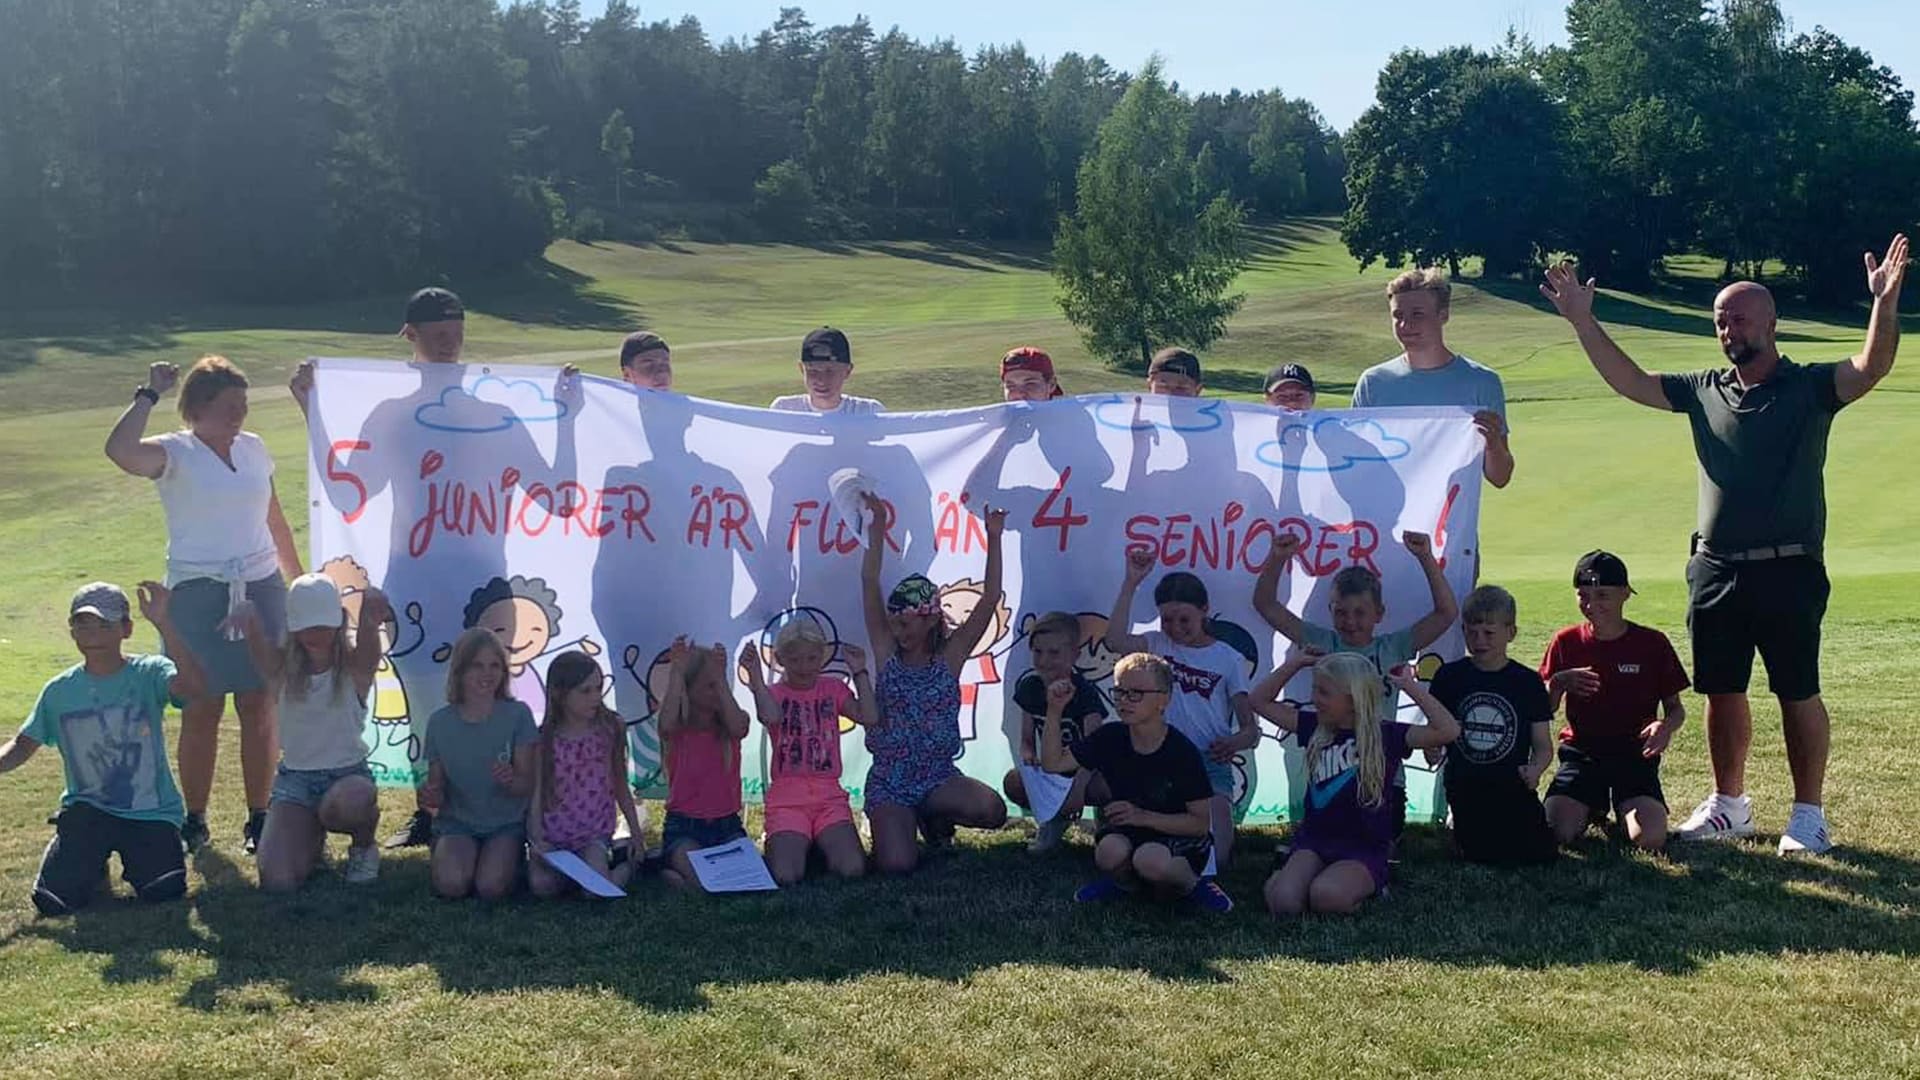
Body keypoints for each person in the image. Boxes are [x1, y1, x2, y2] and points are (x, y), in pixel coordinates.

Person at [1539, 235, 1908, 854]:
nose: (1727, 330)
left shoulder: (1809, 386)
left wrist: (1884, 305)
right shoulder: (1703, 387)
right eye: (1719, 321)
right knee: (1722, 688)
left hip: (1789, 568)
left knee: (1797, 690)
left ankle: (1808, 816)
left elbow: (1871, 367)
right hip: (1714, 569)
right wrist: (1583, 321)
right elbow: (1631, 381)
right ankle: (1730, 805)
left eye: (1738, 319)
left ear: (1770, 323)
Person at [292, 286, 580, 852]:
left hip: (485, 590)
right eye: (437, 333)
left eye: (456, 332)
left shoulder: (498, 418)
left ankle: (504, 813)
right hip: (416, 585)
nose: (449, 342)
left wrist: (567, 416)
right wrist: (312, 410)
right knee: (427, 709)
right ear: (411, 335)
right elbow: (350, 493)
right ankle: (433, 812)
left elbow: (560, 500)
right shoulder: (391, 415)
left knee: (491, 701)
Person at [105, 354, 302, 855]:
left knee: (259, 702)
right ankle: (194, 819)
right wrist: (149, 393)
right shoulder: (174, 452)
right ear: (198, 406)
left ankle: (260, 815)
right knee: (201, 705)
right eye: (228, 406)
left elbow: (274, 517)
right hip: (197, 592)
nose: (239, 415)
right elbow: (120, 451)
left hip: (260, 587)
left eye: (243, 405)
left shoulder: (254, 448)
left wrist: (296, 578)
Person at [0, 583, 205, 914]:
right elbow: (23, 746)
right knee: (53, 902)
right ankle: (86, 860)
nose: (92, 634)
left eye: (104, 624)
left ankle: (129, 856)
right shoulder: (59, 690)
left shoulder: (150, 672)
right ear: (72, 631)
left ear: (127, 629)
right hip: (89, 810)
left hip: (150, 813)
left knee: (163, 890)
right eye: (83, 624)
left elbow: (193, 687)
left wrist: (165, 623)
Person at [1253, 531, 1459, 830]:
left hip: (1385, 773)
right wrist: (1277, 558)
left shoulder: (1392, 648)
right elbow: (1266, 605)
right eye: (1341, 613)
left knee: (1378, 842)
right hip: (1332, 769)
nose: (1350, 622)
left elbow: (1446, 613)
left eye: (1360, 613)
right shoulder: (1321, 643)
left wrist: (1426, 557)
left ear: (1379, 614)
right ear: (1330, 612)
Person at [859, 492, 1010, 874]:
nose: (898, 631)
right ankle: (899, 821)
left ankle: (931, 815)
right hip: (890, 779)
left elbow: (990, 598)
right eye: (893, 623)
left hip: (937, 775)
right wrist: (878, 527)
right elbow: (869, 580)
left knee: (992, 810)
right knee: (896, 866)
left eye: (905, 623)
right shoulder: (886, 652)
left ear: (929, 620)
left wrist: (994, 537)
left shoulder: (950, 657)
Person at [1261, 654, 1460, 916]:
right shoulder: (1314, 726)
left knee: (1326, 897)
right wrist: (1294, 663)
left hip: (1363, 846)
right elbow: (1259, 701)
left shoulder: (1386, 734)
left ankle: (1373, 885)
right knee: (1284, 903)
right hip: (1315, 840)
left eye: (1323, 692)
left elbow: (1448, 730)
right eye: (1314, 689)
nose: (1314, 698)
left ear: (1353, 699)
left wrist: (1410, 686)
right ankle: (1287, 874)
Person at [1105, 550, 1257, 878]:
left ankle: (1172, 856)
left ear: (1204, 610)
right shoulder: (1155, 644)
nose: (1175, 628)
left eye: (1184, 619)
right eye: (1167, 620)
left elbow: (1251, 730)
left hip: (1207, 764)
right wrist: (1131, 583)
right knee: (1126, 844)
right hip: (1157, 760)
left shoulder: (1228, 658)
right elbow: (1114, 641)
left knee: (1217, 860)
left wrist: (1233, 742)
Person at [1041, 653, 1229, 912]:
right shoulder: (1110, 737)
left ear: (1164, 699)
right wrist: (1054, 710)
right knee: (1108, 852)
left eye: (1136, 693)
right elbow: (1052, 764)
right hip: (1131, 831)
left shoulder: (1181, 752)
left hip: (1180, 839)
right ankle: (1124, 885)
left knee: (1149, 860)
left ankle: (1193, 885)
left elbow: (1199, 825)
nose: (1124, 701)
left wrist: (1142, 816)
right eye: (1119, 692)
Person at [1538, 551, 1689, 852]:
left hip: (1634, 755)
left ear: (1625, 594)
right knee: (1557, 833)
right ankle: (1591, 805)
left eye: (1602, 595)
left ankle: (1625, 806)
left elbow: (1676, 709)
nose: (1591, 604)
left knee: (1650, 839)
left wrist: (1664, 727)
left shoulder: (1652, 643)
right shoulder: (1566, 641)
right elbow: (1545, 708)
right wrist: (1557, 684)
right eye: (1583, 596)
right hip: (1582, 753)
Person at [242, 574, 384, 891]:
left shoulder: (356, 667)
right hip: (296, 782)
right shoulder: (279, 668)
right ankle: (310, 841)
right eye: (306, 626)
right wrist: (247, 614)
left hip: (347, 776)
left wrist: (371, 608)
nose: (314, 635)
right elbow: (253, 631)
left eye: (322, 625)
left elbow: (369, 626)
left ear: (338, 622)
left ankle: (364, 847)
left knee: (352, 801)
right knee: (277, 881)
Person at [1426, 585, 1555, 865]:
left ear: (1511, 632)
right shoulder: (1449, 677)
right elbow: (1433, 732)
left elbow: (1543, 746)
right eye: (1471, 632)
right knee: (1481, 854)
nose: (1479, 641)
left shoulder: (1528, 682)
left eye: (1488, 633)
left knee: (1538, 853)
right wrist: (1431, 749)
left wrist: (1535, 769)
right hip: (1465, 783)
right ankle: (1460, 826)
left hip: (1511, 783)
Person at [1350, 269, 1514, 489]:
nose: (1405, 325)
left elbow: (1500, 478)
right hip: (1386, 511)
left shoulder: (1482, 382)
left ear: (1443, 315)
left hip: (1454, 511)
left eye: (1417, 314)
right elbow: (1354, 463)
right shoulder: (1372, 383)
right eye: (1398, 316)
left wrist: (1493, 445)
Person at [742, 620, 875, 885]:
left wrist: (860, 672)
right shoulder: (775, 693)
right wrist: (756, 678)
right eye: (795, 660)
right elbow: (770, 716)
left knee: (852, 869)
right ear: (781, 659)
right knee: (785, 876)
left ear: (822, 657)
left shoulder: (832, 688)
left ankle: (816, 844)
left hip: (829, 797)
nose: (804, 667)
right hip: (787, 799)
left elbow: (869, 716)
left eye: (812, 658)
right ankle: (802, 845)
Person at [423, 628, 538, 900]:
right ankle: (448, 850)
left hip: (506, 824)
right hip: (457, 823)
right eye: (477, 665)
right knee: (451, 885)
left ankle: (511, 858)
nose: (487, 673)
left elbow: (527, 785)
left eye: (494, 665)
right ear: (460, 670)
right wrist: (429, 795)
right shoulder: (439, 722)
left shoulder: (518, 714)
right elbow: (436, 791)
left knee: (490, 887)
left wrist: (511, 780)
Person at [527, 651, 643, 898]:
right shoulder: (544, 737)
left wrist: (636, 833)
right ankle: (575, 875)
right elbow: (537, 791)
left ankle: (626, 865)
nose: (596, 697)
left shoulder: (610, 728)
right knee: (541, 887)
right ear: (559, 694)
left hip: (592, 834)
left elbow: (620, 782)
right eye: (585, 691)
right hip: (554, 835)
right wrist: (537, 839)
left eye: (598, 688)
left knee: (596, 891)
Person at [1002, 611, 1110, 852]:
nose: (1044, 660)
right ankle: (1052, 819)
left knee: (1110, 784)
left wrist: (1078, 790)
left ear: (1074, 655)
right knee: (1014, 781)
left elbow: (1094, 749)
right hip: (1053, 770)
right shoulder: (1030, 687)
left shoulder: (1085, 693)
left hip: (1085, 773)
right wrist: (1028, 756)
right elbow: (1027, 739)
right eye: (1038, 652)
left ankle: (1107, 821)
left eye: (1054, 653)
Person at [654, 638, 752, 891]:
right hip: (684, 827)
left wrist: (721, 681)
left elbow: (739, 727)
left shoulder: (731, 725)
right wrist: (677, 673)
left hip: (727, 825)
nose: (716, 691)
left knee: (742, 881)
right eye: (709, 686)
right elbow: (665, 725)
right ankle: (676, 874)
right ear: (689, 689)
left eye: (719, 684)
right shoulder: (678, 728)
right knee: (704, 880)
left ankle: (677, 877)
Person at [770, 327, 884, 414]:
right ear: (801, 369)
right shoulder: (783, 410)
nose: (821, 380)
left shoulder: (869, 412)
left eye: (830, 371)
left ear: (847, 371)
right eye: (813, 371)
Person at [1000, 346, 1065, 401]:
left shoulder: (1068, 412)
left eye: (1030, 384)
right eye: (1010, 386)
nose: (1019, 394)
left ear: (1051, 385)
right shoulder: (997, 412)